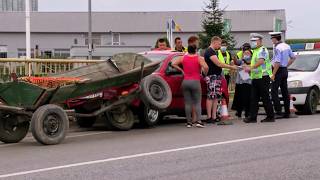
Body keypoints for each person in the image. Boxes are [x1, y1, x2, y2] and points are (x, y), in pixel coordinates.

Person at [172, 36, 209, 128]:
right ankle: (199, 121)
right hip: (195, 82)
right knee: (197, 102)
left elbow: (173, 63)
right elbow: (206, 67)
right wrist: (204, 73)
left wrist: (181, 70)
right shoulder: (198, 58)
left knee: (187, 103)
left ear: (187, 50)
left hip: (185, 82)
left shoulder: (183, 57)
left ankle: (189, 122)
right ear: (195, 50)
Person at [204, 36, 238, 123]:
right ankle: (209, 117)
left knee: (216, 97)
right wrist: (231, 67)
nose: (219, 46)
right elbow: (218, 63)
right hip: (212, 76)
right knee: (211, 96)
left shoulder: (213, 51)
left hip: (216, 76)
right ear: (214, 42)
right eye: (219, 44)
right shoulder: (210, 51)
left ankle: (214, 116)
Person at [243, 33, 275, 123]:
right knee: (253, 98)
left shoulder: (262, 50)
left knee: (265, 98)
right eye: (252, 41)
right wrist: (248, 68)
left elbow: (261, 61)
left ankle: (270, 116)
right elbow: (254, 63)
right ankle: (252, 117)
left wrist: (250, 68)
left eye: (254, 41)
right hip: (256, 77)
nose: (253, 43)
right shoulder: (256, 51)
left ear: (260, 41)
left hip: (263, 77)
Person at [269, 32, 296, 119]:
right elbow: (293, 57)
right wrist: (286, 66)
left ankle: (278, 111)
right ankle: (287, 112)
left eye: (272, 38)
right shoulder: (287, 46)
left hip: (278, 70)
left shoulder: (278, 48)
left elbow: (277, 62)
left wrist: (273, 74)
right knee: (285, 91)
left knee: (274, 91)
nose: (271, 40)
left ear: (275, 39)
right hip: (284, 70)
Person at [232, 49, 253, 119]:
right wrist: (234, 58)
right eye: (245, 53)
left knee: (247, 98)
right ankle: (239, 112)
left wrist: (248, 67)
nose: (246, 54)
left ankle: (247, 113)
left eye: (248, 53)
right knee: (239, 98)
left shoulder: (253, 61)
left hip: (248, 82)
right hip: (239, 82)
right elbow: (236, 62)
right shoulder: (241, 61)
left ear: (251, 54)